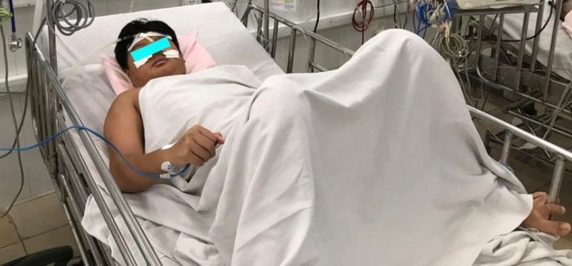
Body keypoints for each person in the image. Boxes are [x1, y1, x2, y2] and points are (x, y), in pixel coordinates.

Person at [104, 19, 571, 246]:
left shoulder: (229, 73)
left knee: (402, 49)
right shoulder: (133, 100)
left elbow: (278, 95)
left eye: (163, 44)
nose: (154, 52)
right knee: (283, 101)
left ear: (184, 53)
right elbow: (125, 172)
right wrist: (173, 152)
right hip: (237, 144)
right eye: (140, 52)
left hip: (282, 110)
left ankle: (484, 203)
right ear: (127, 71)